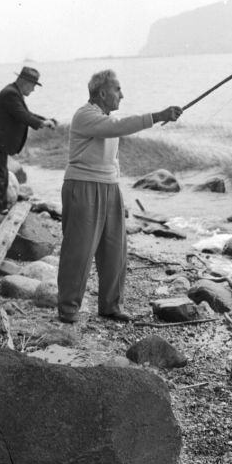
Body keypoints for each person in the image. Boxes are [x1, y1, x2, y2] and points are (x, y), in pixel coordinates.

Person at [57, 69, 182, 323]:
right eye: (117, 90)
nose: (121, 95)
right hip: (83, 185)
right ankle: (68, 310)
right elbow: (117, 127)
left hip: (109, 187)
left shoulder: (104, 118)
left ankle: (110, 306)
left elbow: (113, 144)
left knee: (115, 251)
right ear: (102, 93)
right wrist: (158, 116)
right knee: (79, 252)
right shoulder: (85, 115)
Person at [0, 66, 55, 220]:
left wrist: (44, 119)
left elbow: (25, 113)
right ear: (25, 82)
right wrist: (42, 123)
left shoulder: (13, 92)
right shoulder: (11, 94)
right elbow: (22, 115)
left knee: (0, 174)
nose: (33, 90)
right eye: (33, 86)